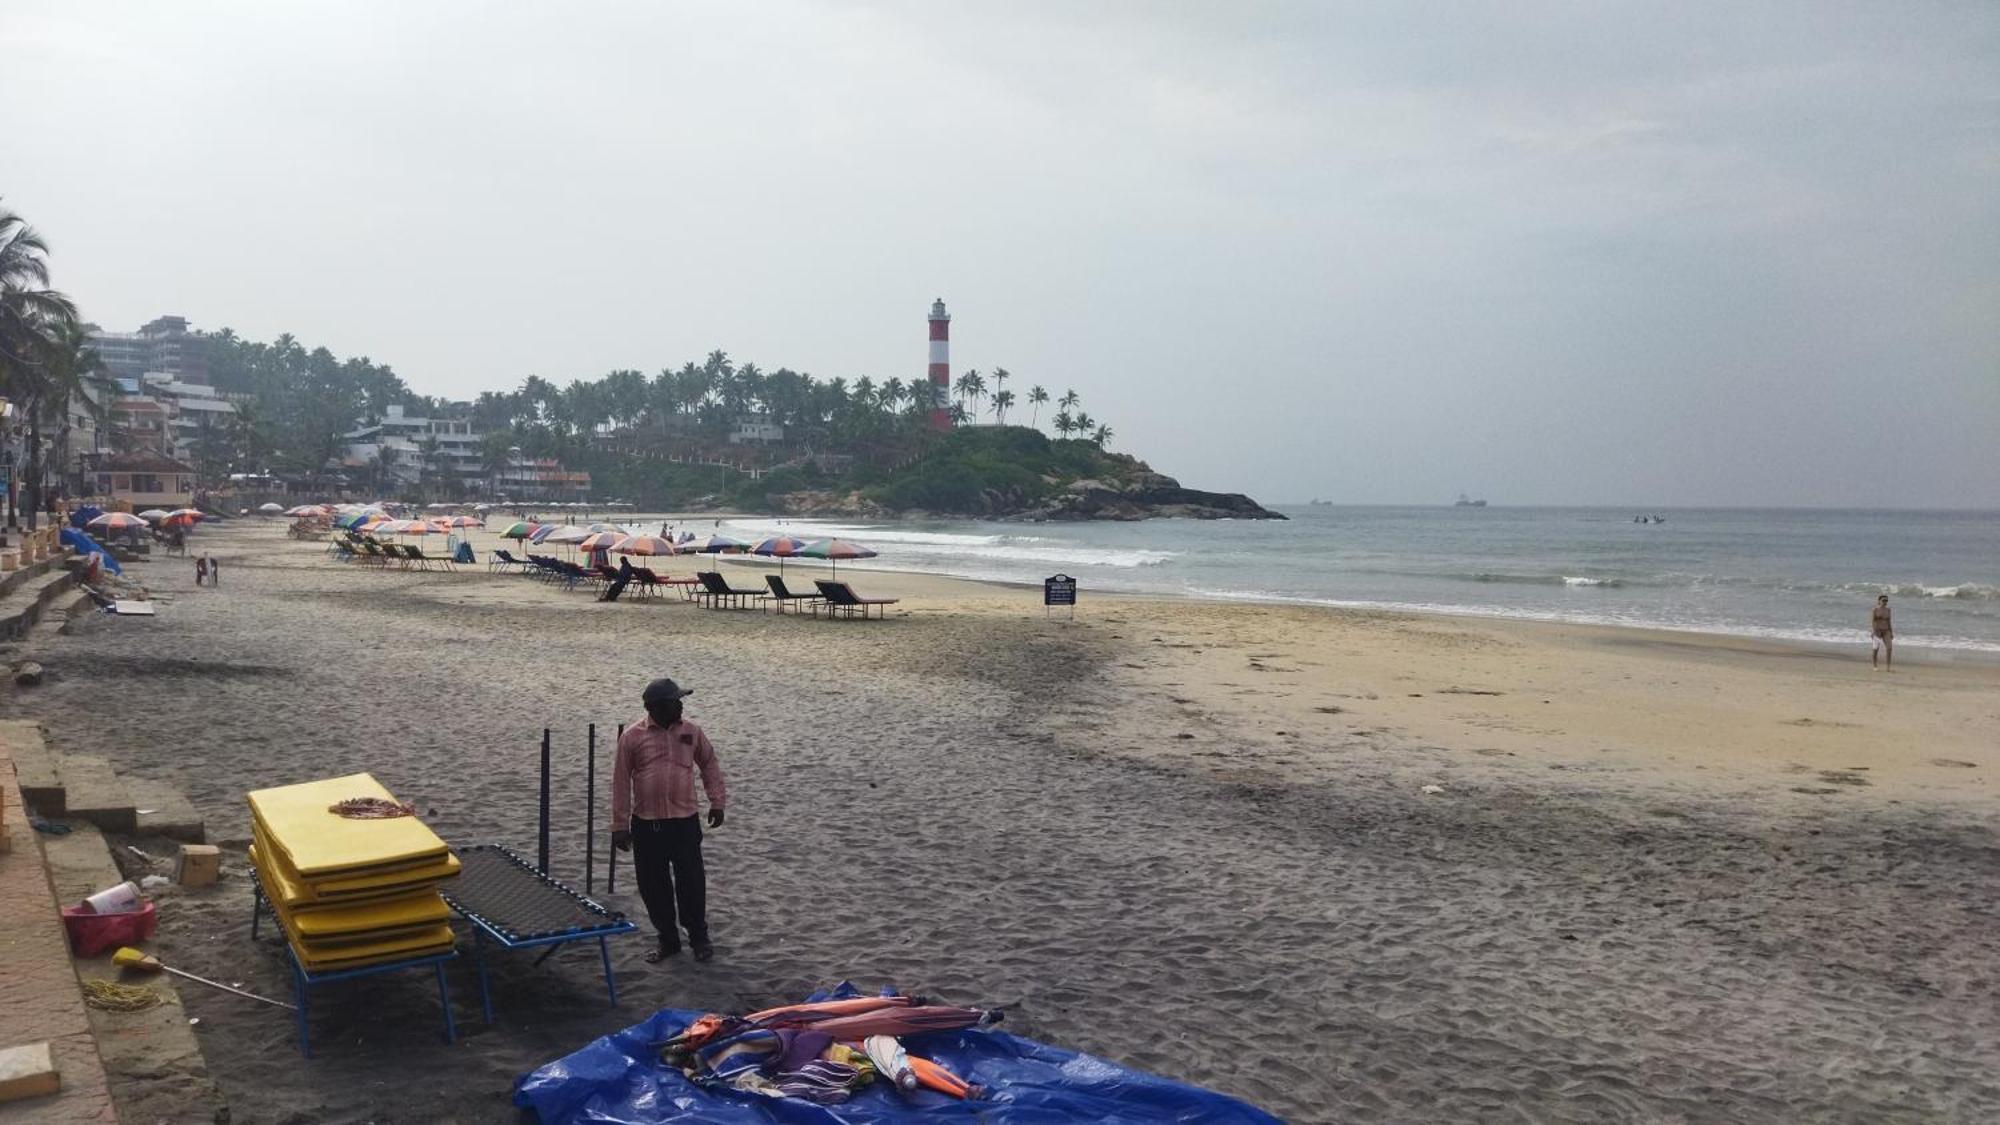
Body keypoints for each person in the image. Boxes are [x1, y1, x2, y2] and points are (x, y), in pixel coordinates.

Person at [611, 678, 726, 963]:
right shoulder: (632, 737)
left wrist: (717, 801)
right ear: (656, 708)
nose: (681, 704)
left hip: (684, 822)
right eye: (675, 701)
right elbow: (621, 782)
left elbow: (709, 763)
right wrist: (619, 826)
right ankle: (668, 940)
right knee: (653, 886)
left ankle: (699, 938)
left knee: (692, 883)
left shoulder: (691, 731)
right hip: (647, 825)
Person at [1871, 594, 1893, 669]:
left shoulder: (1888, 610)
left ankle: (1888, 666)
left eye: (1886, 600)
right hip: (1877, 631)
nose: (1885, 602)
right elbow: (1873, 621)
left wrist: (1891, 632)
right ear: (1879, 601)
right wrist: (1874, 631)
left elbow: (1889, 621)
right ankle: (1875, 665)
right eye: (1883, 600)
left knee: (1889, 648)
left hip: (1886, 631)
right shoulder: (1875, 610)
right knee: (1876, 649)